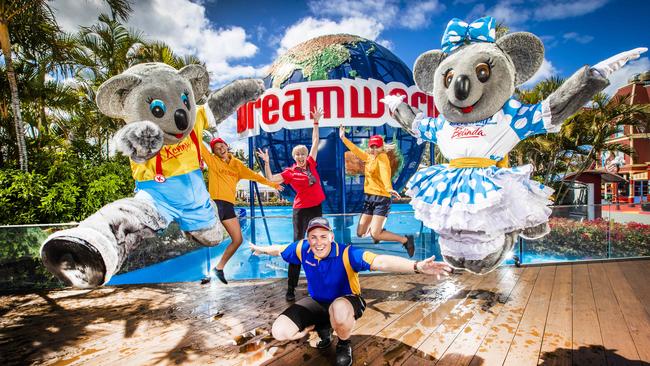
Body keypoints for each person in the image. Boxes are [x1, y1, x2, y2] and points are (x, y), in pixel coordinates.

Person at [250, 217, 452, 366]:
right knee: (280, 331)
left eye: (323, 236)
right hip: (319, 301)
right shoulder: (302, 248)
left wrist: (416, 266)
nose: (318, 242)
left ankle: (343, 343)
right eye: (313, 237)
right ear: (308, 239)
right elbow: (280, 249)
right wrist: (261, 249)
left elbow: (380, 261)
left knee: (338, 309)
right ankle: (323, 329)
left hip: (347, 301)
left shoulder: (347, 253)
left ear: (331, 236)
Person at [256, 108, 325, 302]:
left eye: (303, 154)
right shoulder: (290, 172)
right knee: (298, 245)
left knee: (319, 243)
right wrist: (268, 162)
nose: (302, 157)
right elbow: (270, 178)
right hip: (301, 210)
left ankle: (319, 283)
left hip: (316, 208)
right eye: (299, 155)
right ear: (294, 157)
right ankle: (291, 287)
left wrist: (316, 122)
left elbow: (315, 142)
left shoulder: (312, 163)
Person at [199, 137, 282, 284]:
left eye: (222, 146)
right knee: (207, 236)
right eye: (216, 148)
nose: (220, 149)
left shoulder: (237, 165)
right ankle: (205, 273)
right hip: (215, 204)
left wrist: (273, 185)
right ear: (214, 152)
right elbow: (199, 144)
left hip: (228, 206)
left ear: (226, 146)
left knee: (238, 240)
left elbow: (255, 176)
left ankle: (218, 269)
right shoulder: (212, 161)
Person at [338, 126, 415, 257]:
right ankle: (378, 229)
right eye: (372, 147)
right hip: (369, 199)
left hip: (381, 199)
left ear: (382, 147)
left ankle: (406, 240)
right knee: (360, 233)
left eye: (377, 147)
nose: (374, 149)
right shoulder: (368, 157)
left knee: (375, 234)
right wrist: (343, 138)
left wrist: (389, 188)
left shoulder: (383, 157)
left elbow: (385, 172)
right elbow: (355, 150)